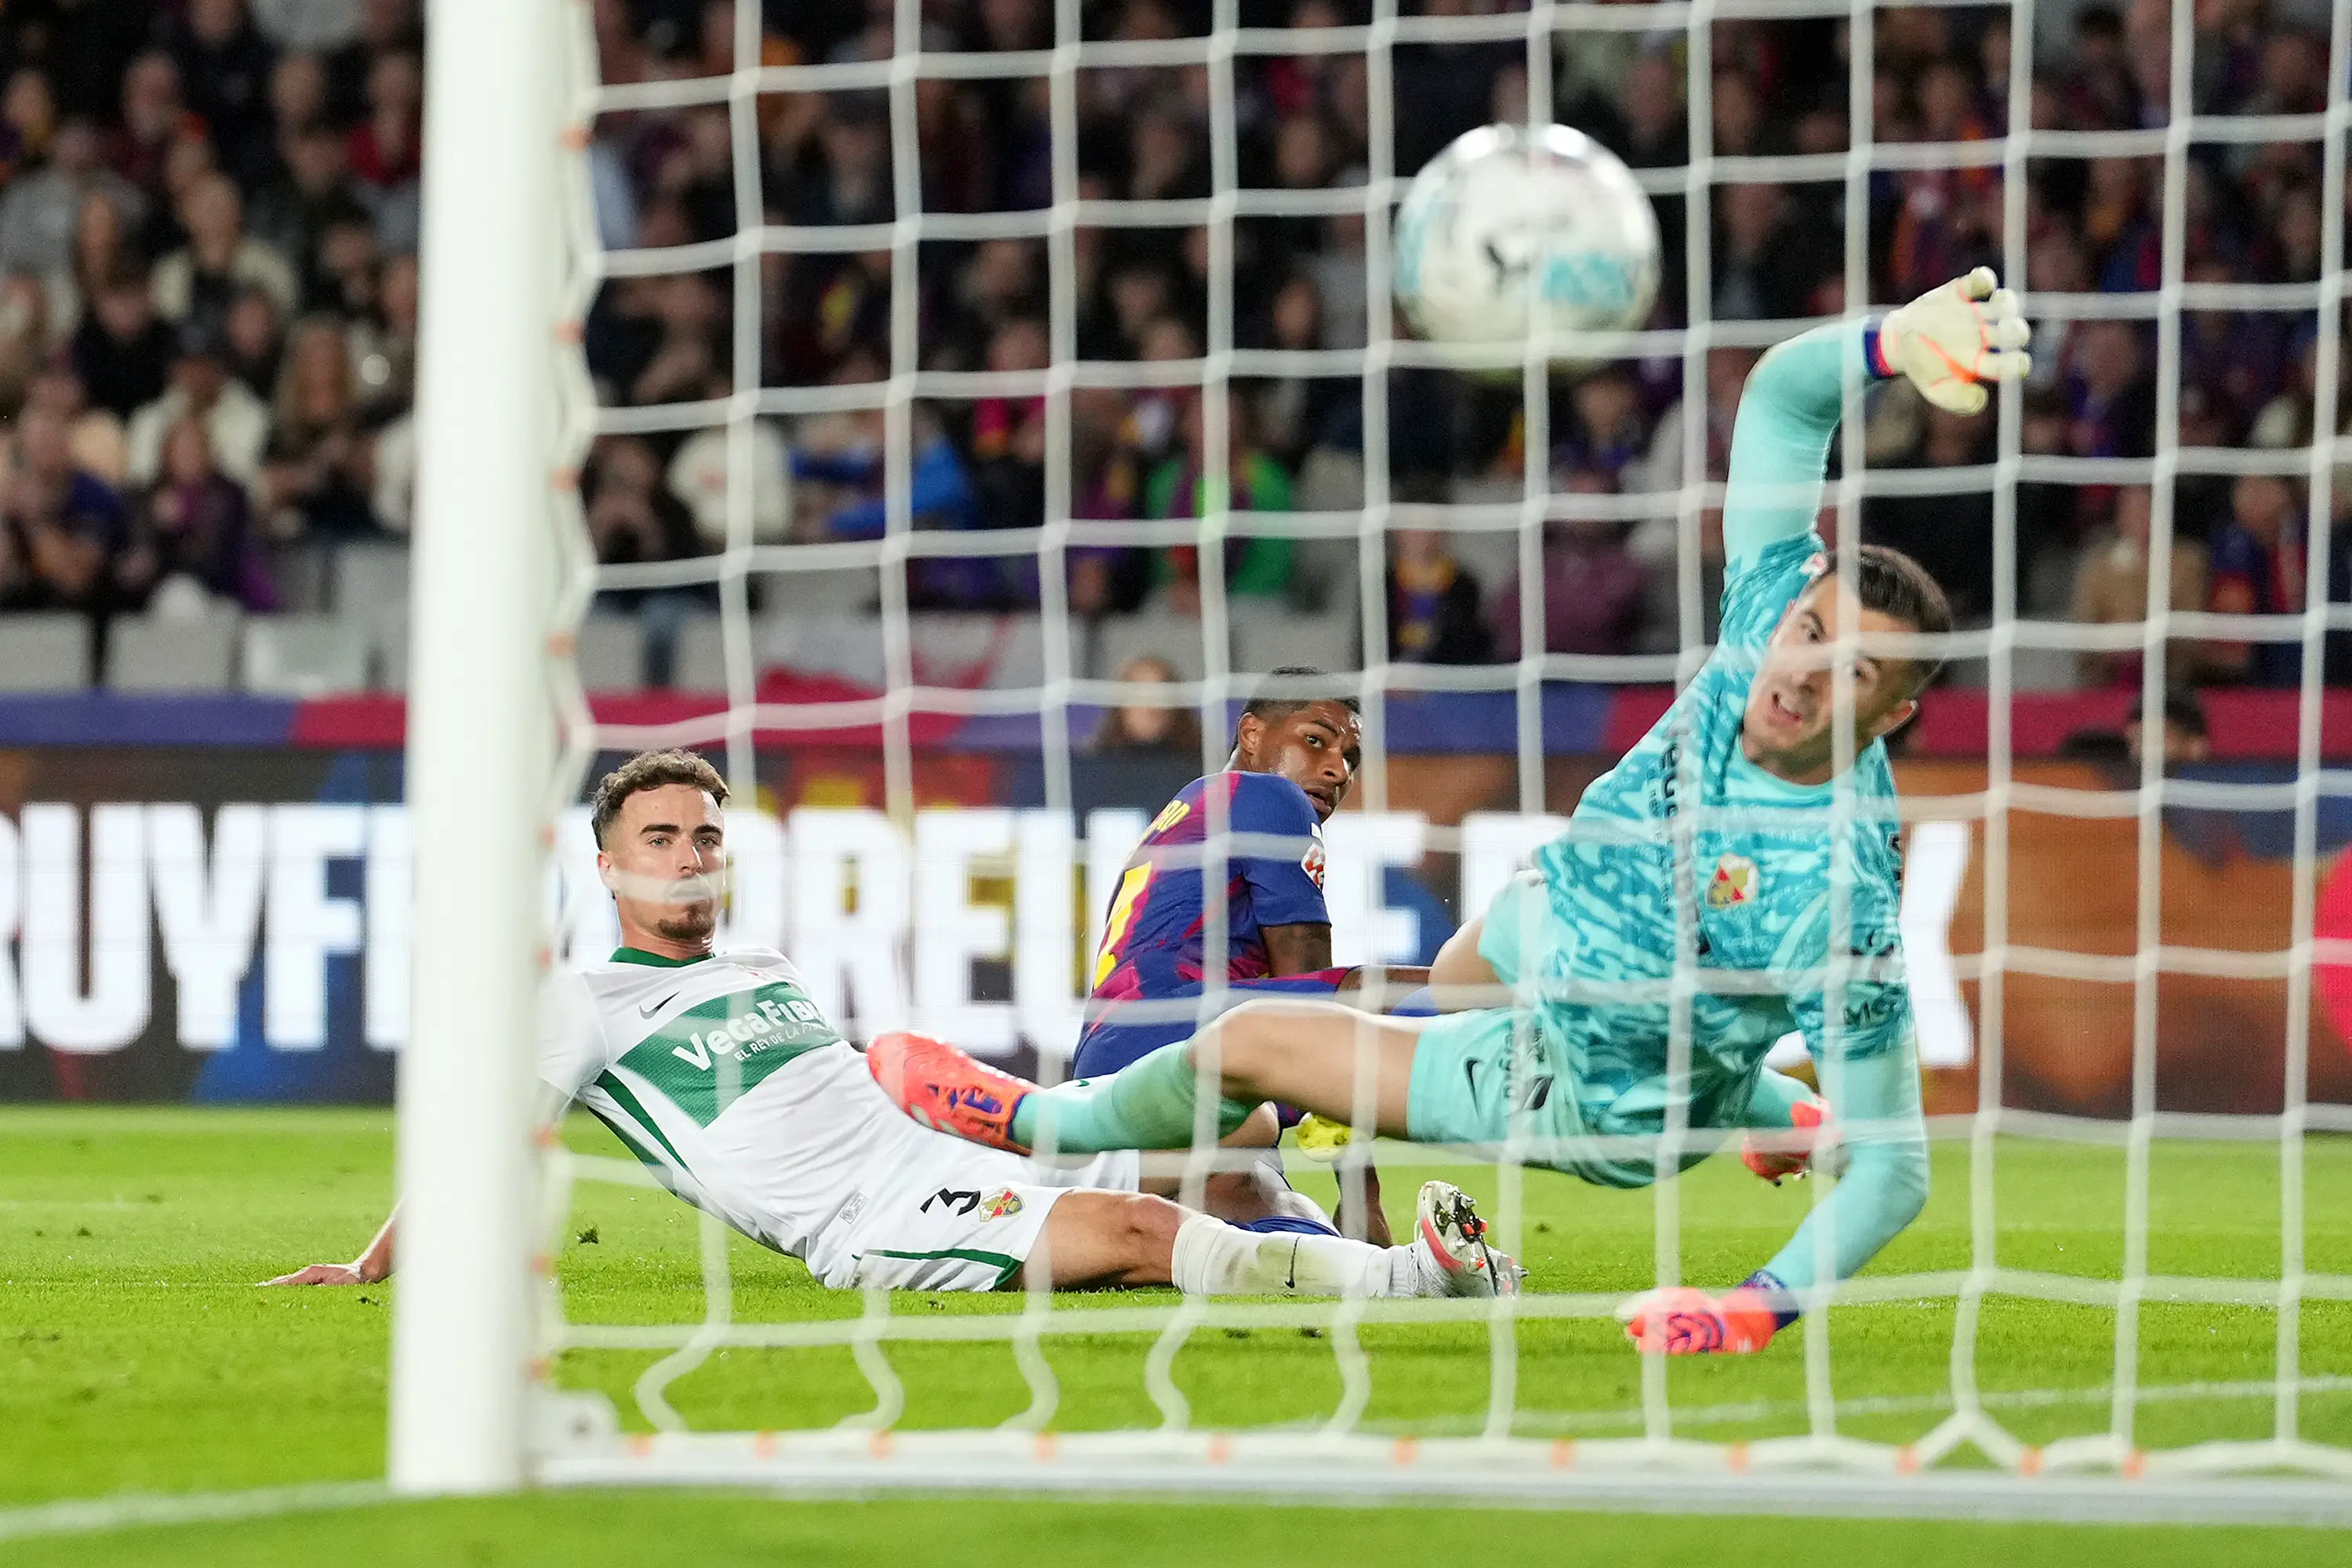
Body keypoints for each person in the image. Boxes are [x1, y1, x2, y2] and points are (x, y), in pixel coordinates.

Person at [870, 268, 2033, 1356]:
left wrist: (1749, 1311)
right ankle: (1771, 1102)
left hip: (1602, 1083)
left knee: (1263, 1042)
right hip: (1557, 914)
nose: (1801, 673)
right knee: (1426, 978)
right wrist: (1889, 342)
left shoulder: (1838, 888)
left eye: (1852, 678)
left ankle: (1033, 1122)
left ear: (1885, 721)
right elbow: (1782, 402)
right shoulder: (1771, 609)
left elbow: (1898, 1173)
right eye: (1814, 636)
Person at [267, 749, 1516, 1300]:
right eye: (661, 839)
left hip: (958, 1156)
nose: (691, 858)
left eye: (706, 834)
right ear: (607, 867)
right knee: (1143, 1232)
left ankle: (1365, 1242)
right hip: (873, 1221)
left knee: (1233, 1132)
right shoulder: (581, 1005)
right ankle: (1420, 1281)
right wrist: (379, 1263)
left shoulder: (759, 959)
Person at [1075, 667, 1428, 1243]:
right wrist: (1365, 1200)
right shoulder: (1269, 796)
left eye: (1351, 758)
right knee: (1411, 995)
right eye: (1316, 740)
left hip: (1109, 1069)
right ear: (1252, 733)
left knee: (1279, 1215)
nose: (1338, 769)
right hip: (1175, 1030)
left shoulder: (1192, 807)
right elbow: (1323, 1012)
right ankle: (1539, 1012)